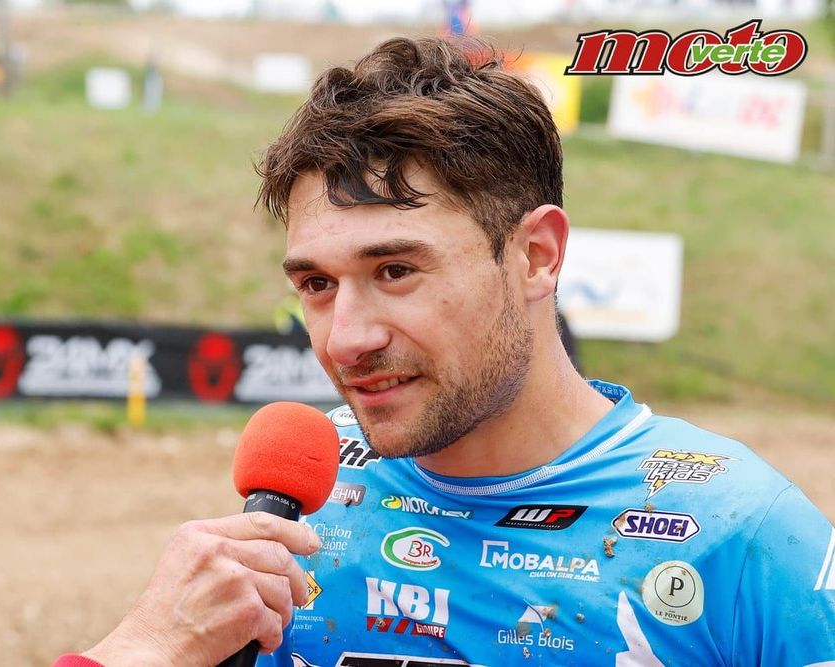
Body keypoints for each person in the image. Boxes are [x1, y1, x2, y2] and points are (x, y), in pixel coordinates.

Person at [55, 37, 835, 667]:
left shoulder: (742, 534)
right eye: (317, 283)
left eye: (396, 270)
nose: (346, 337)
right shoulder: (298, 512)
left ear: (535, 256)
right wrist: (144, 649)